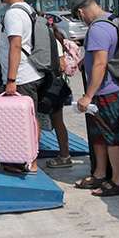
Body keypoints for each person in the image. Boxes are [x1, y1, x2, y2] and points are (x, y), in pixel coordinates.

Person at [71, 0, 119, 196]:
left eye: (79, 17)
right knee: (99, 134)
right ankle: (100, 174)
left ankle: (117, 181)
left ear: (81, 11)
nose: (82, 21)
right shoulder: (111, 20)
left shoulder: (98, 28)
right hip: (108, 88)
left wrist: (88, 95)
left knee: (111, 135)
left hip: (105, 90)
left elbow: (101, 63)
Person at [0, 0, 44, 174]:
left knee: (25, 121)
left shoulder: (14, 13)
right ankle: (25, 158)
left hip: (22, 75)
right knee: (28, 119)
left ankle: (29, 161)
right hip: (29, 73)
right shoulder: (28, 9)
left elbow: (15, 45)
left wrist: (11, 79)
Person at [45, 16, 75, 169]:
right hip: (50, 85)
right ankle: (64, 154)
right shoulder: (52, 39)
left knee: (57, 121)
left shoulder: (53, 41)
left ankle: (65, 155)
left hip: (52, 87)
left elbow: (61, 66)